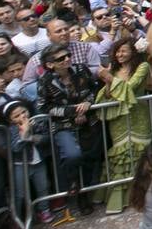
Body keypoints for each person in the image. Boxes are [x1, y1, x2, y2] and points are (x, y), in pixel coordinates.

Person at [36, 44, 102, 213]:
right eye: (60, 58)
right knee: (73, 155)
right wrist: (73, 112)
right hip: (63, 125)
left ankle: (83, 197)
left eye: (68, 55)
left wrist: (88, 103)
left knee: (88, 159)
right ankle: (72, 181)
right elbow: (44, 107)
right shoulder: (45, 81)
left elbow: (95, 89)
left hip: (88, 121)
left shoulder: (81, 69)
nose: (67, 59)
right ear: (50, 64)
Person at [96, 37, 152, 214]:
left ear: (133, 52)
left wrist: (109, 79)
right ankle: (122, 197)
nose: (120, 54)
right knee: (121, 155)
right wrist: (108, 82)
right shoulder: (112, 69)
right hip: (119, 119)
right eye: (117, 51)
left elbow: (131, 87)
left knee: (141, 154)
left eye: (124, 51)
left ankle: (145, 194)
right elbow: (107, 95)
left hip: (138, 116)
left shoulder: (142, 67)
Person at [0, 98, 54, 224]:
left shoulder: (36, 122)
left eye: (24, 112)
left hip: (38, 161)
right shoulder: (11, 130)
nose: (22, 116)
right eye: (16, 116)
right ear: (10, 120)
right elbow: (16, 148)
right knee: (20, 193)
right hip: (20, 164)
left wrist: (32, 137)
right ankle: (17, 217)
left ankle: (44, 210)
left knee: (43, 187)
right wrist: (24, 134)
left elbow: (46, 138)